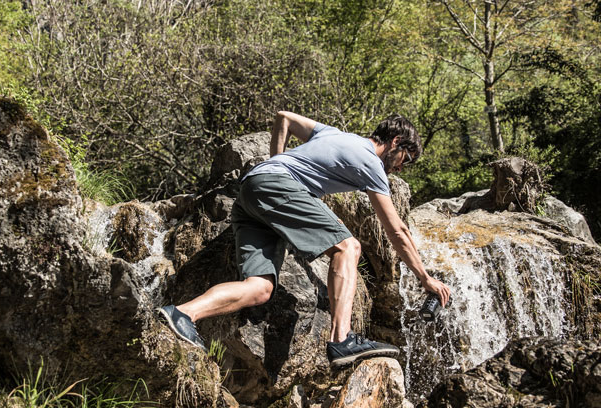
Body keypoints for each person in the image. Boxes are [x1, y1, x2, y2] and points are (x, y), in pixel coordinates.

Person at [158, 111, 451, 368]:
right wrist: (425, 278)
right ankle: (342, 339)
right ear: (396, 141)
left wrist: (275, 161)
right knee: (349, 247)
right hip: (277, 186)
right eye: (405, 159)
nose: (400, 168)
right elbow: (397, 230)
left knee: (260, 289)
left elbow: (284, 118)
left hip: (251, 193)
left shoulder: (333, 133)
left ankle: (183, 313)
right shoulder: (371, 162)